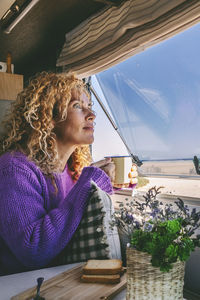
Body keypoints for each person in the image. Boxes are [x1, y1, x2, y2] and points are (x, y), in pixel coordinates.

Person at [0, 72, 116, 275]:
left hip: (60, 277)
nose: (92, 115)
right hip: (19, 286)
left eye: (90, 106)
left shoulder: (74, 170)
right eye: (77, 106)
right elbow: (33, 249)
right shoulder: (14, 169)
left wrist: (97, 184)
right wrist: (89, 183)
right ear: (49, 117)